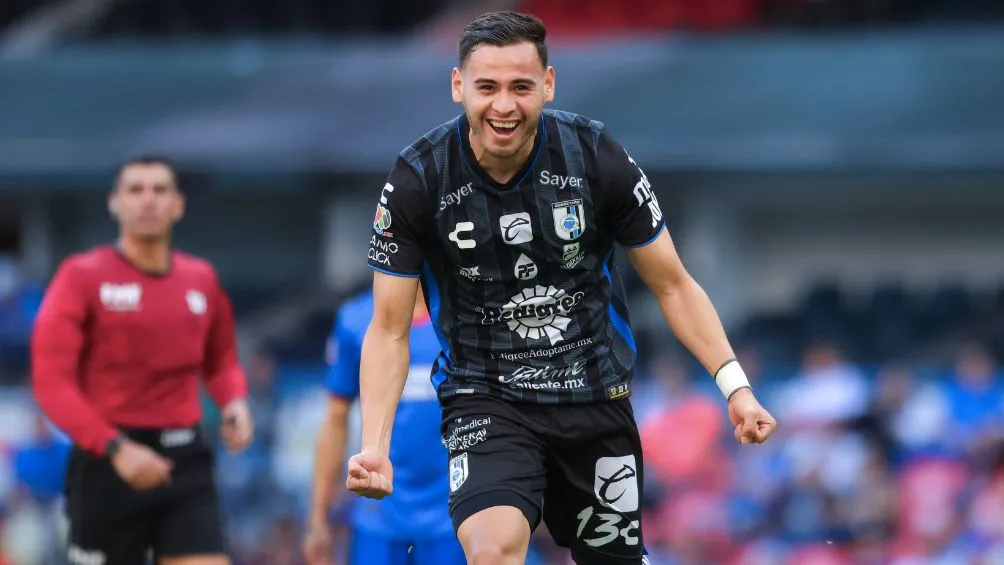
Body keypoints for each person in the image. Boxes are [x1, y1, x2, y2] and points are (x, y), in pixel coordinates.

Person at [346, 10, 778, 565]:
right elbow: (388, 330)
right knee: (493, 551)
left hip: (594, 397)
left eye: (521, 87)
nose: (504, 105)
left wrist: (736, 388)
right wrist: (374, 447)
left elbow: (673, 285)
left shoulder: (596, 157)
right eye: (487, 87)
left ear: (547, 85)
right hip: (486, 396)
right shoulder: (418, 179)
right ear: (458, 87)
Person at [31, 155, 254, 565]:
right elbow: (50, 383)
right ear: (114, 203)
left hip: (184, 458)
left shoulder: (201, 278)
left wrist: (234, 401)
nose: (147, 200)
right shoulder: (82, 276)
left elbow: (221, 360)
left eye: (159, 190)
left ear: (178, 205)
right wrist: (116, 448)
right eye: (135, 190)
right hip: (106, 463)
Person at [303, 287, 466, 565]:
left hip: (454, 517)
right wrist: (318, 518)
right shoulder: (355, 320)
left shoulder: (467, 315)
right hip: (377, 517)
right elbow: (335, 420)